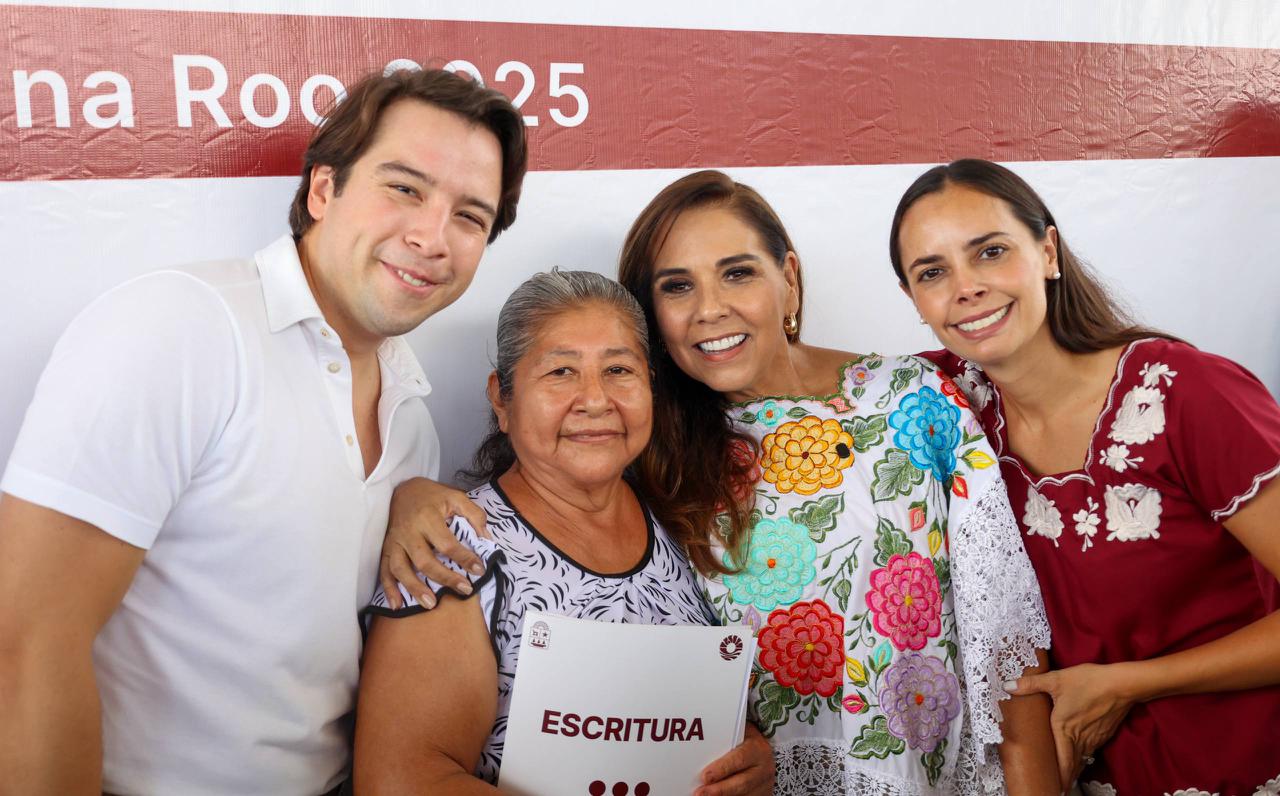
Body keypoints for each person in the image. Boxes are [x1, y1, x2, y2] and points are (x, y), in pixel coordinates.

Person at [0, 67, 527, 795]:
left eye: (470, 216)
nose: (432, 237)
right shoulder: (180, 327)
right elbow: (25, 644)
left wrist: (406, 497)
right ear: (323, 191)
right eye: (405, 188)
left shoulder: (411, 411)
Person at [615, 170, 1060, 794]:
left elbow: (1005, 636)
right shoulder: (646, 455)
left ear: (789, 279)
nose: (710, 308)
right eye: (677, 286)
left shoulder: (911, 398)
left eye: (737, 273)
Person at [889, 158, 1280, 794]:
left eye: (990, 252)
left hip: (1247, 763)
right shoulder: (945, 409)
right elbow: (813, 383)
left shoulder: (1184, 393)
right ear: (915, 300)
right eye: (932, 272)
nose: (966, 287)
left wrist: (1127, 683)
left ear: (1048, 252)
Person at [353, 269, 775, 795]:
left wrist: (747, 756)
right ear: (502, 399)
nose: (595, 400)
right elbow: (400, 782)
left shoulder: (683, 525)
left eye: (618, 369)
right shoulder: (451, 550)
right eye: (561, 372)